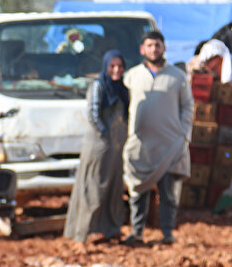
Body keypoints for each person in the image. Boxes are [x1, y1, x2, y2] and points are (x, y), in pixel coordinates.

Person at [122, 31, 194, 246]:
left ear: (164, 48)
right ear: (142, 49)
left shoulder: (178, 77)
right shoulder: (132, 76)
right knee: (137, 191)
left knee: (168, 194)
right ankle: (137, 233)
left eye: (158, 45)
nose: (154, 49)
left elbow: (188, 106)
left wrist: (183, 134)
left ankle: (168, 234)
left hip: (170, 145)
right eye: (150, 45)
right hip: (140, 145)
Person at [64, 50, 130, 243]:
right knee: (93, 187)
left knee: (113, 186)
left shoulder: (122, 89)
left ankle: (110, 228)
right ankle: (86, 231)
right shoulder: (98, 87)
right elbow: (93, 115)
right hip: (99, 146)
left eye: (120, 66)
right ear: (106, 67)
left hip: (116, 147)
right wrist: (105, 134)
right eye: (112, 66)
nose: (116, 70)